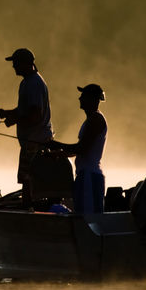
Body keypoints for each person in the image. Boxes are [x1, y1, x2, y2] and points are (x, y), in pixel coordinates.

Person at [0, 48, 54, 207]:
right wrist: (7, 113)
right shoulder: (27, 82)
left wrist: (14, 120)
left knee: (28, 179)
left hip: (35, 141)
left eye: (16, 63)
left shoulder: (33, 83)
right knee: (30, 179)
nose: (13, 66)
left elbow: (35, 115)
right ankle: (31, 207)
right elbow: (24, 111)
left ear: (27, 64)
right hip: (34, 140)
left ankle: (29, 209)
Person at [48, 84, 107, 214]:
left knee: (88, 218)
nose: (80, 98)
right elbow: (78, 150)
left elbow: (81, 149)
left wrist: (57, 145)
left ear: (92, 99)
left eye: (83, 96)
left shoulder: (96, 120)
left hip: (89, 177)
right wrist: (58, 153)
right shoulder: (90, 120)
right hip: (84, 175)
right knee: (83, 215)